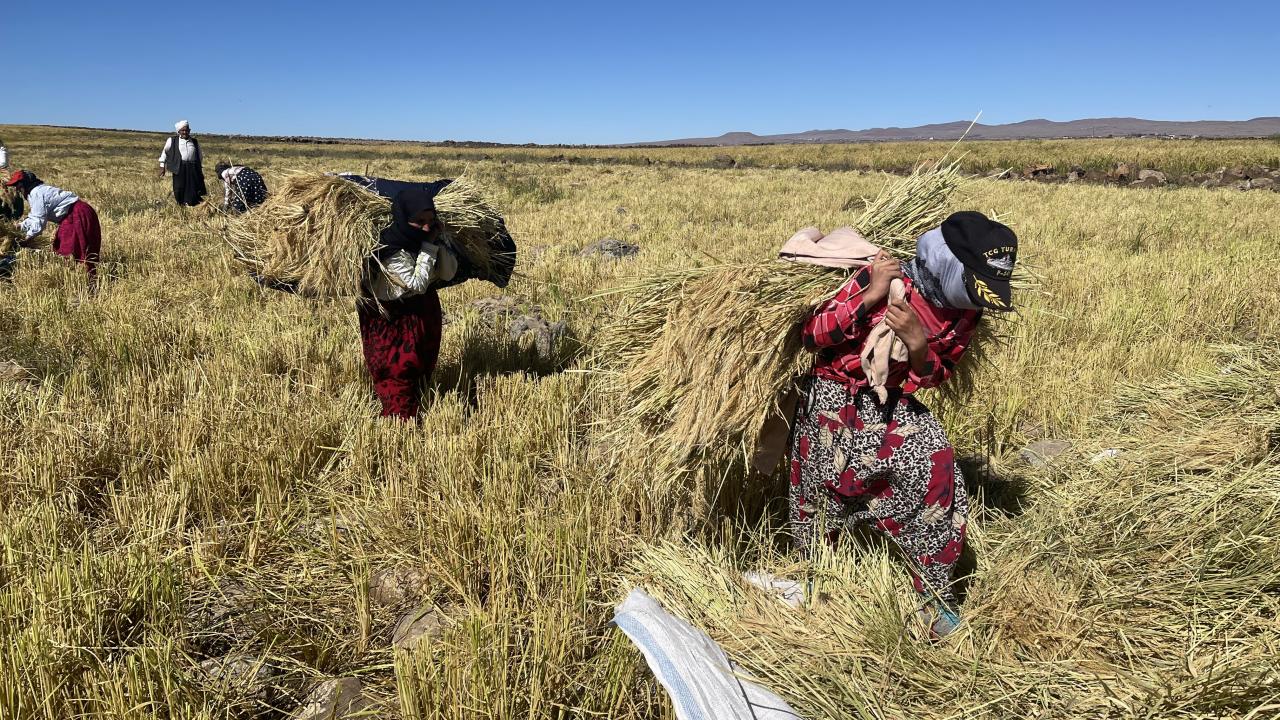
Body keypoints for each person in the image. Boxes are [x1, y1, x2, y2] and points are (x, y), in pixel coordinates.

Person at [787, 211, 1017, 639]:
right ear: (947, 264)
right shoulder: (881, 277)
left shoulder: (966, 313)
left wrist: (916, 341)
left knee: (935, 468)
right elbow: (812, 337)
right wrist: (870, 295)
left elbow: (937, 375)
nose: (976, 299)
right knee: (820, 493)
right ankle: (814, 579)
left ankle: (933, 598)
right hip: (832, 398)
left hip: (891, 402)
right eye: (971, 284)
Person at [5, 170, 103, 278]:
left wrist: (26, 240)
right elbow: (35, 216)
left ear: (24, 184)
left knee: (70, 250)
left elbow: (38, 222)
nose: (17, 189)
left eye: (18, 185)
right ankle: (78, 278)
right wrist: (20, 226)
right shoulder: (37, 192)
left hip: (77, 215)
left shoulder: (36, 193)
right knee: (69, 247)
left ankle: (82, 280)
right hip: (77, 213)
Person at [158, 120, 207, 206]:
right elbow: (164, 153)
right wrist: (162, 166)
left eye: (187, 130)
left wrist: (199, 167)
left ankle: (192, 203)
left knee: (193, 186)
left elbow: (200, 155)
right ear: (179, 131)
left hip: (192, 167)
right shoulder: (172, 140)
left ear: (189, 130)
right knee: (179, 186)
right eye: (183, 130)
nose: (185, 132)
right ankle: (180, 203)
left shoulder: (194, 142)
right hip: (179, 167)